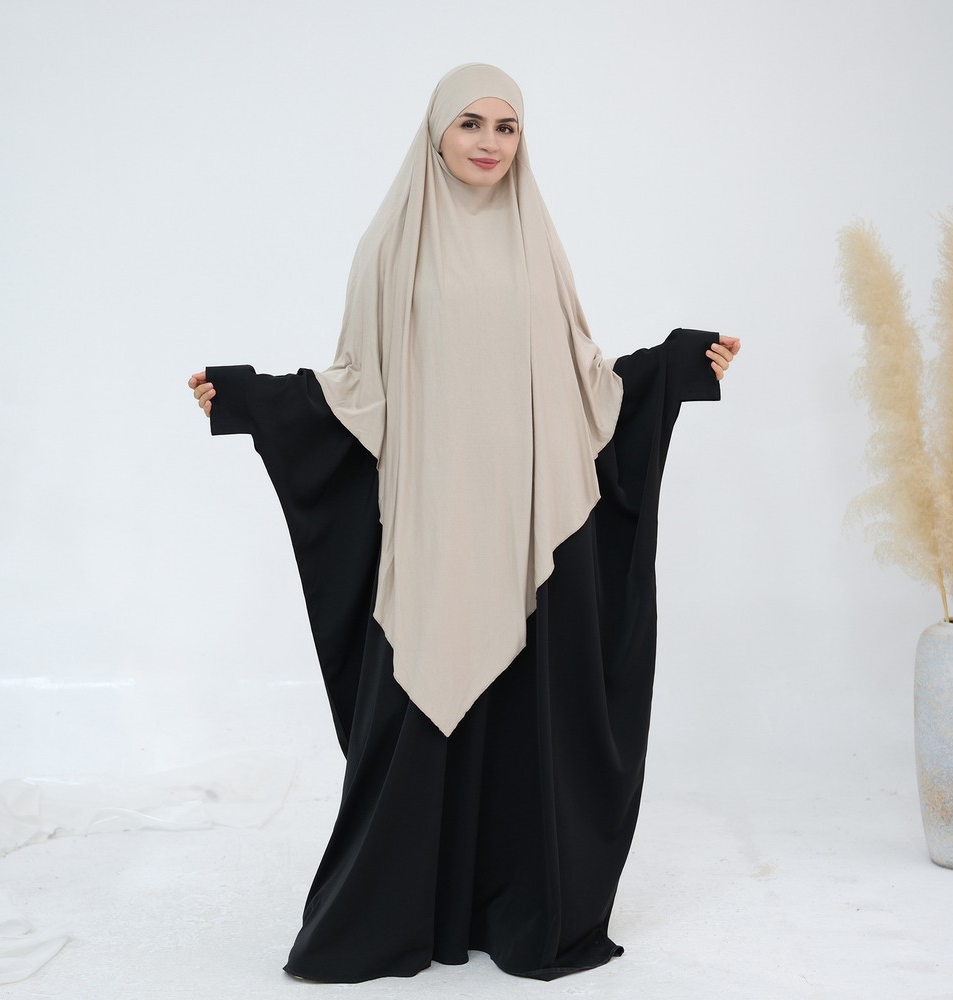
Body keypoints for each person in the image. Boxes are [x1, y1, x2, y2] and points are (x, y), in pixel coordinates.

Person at [188, 63, 739, 983]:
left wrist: (678, 368)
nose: (490, 142)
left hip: (532, 532)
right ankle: (396, 918)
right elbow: (355, 389)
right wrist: (250, 401)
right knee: (415, 717)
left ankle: (517, 907)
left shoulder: (538, 245)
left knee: (530, 724)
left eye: (507, 126)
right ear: (436, 133)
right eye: (471, 123)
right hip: (437, 530)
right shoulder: (391, 246)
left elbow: (586, 386)